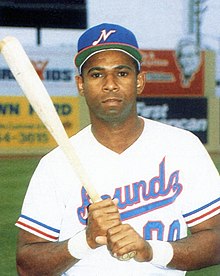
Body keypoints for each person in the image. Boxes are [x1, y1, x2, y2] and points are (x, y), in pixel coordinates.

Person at [15, 23, 220, 276]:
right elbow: (26, 265)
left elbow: (216, 241)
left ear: (139, 81)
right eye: (97, 74)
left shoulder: (183, 146)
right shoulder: (55, 164)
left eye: (122, 73)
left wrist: (152, 251)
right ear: (81, 84)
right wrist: (86, 241)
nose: (110, 84)